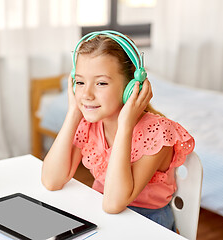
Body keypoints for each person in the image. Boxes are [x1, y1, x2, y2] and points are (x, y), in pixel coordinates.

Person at [41, 31, 195, 231]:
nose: (86, 94)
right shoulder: (90, 123)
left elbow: (114, 203)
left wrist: (125, 125)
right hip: (102, 216)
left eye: (101, 83)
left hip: (147, 224)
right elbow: (51, 181)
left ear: (131, 87)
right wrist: (73, 113)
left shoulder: (157, 133)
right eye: (80, 82)